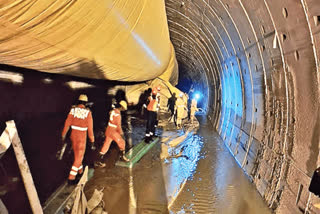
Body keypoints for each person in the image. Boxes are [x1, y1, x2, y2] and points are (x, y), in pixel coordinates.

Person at [61, 94, 95, 184]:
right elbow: (90, 129)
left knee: (77, 154)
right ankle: (71, 178)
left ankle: (80, 172)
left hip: (73, 135)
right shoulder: (88, 113)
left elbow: (67, 123)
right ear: (86, 103)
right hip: (81, 136)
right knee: (79, 156)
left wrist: (63, 134)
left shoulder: (73, 110)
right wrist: (92, 140)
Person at [96, 100, 129, 167]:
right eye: (123, 108)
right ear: (122, 107)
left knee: (106, 145)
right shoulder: (118, 115)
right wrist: (122, 134)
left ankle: (98, 161)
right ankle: (122, 157)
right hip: (113, 131)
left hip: (108, 130)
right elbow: (119, 126)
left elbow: (109, 113)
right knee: (122, 143)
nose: (124, 110)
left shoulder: (113, 111)